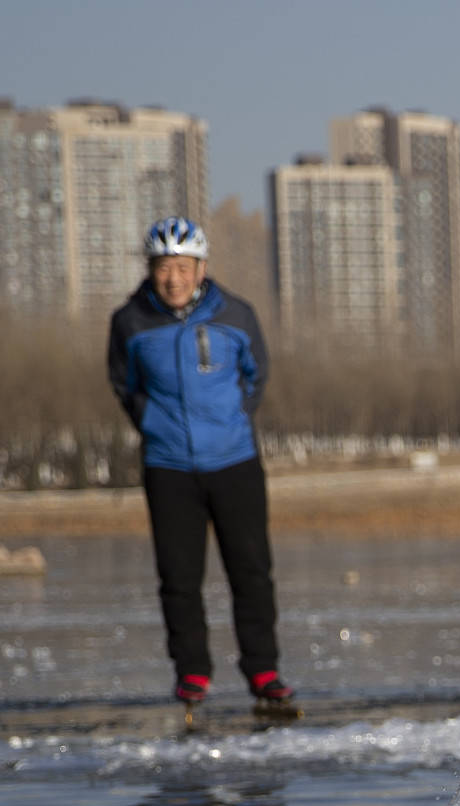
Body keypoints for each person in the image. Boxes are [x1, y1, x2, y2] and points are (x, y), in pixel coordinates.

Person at [108, 216, 294, 712]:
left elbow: (257, 375)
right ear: (151, 270)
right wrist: (152, 423)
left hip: (235, 462)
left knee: (251, 572)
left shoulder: (236, 314)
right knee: (178, 577)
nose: (173, 277)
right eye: (163, 266)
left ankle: (264, 669)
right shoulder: (129, 322)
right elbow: (125, 385)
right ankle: (191, 671)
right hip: (168, 467)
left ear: (202, 268)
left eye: (182, 266)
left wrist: (233, 419)